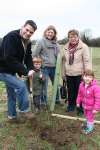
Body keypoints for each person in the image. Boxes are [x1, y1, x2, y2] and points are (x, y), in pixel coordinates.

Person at [0, 20, 37, 120]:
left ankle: (11, 116)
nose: (28, 33)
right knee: (21, 86)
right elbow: (9, 58)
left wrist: (31, 69)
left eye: (31, 32)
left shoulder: (28, 41)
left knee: (11, 94)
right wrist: (25, 71)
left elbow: (28, 56)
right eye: (27, 30)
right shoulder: (11, 37)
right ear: (22, 27)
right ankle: (24, 111)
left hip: (11, 70)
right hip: (3, 70)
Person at [61, 29, 91, 114]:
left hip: (80, 74)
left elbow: (87, 61)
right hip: (69, 74)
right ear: (68, 38)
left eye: (74, 36)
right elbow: (63, 62)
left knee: (80, 92)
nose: (72, 38)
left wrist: (87, 74)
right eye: (70, 37)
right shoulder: (65, 47)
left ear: (78, 37)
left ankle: (80, 108)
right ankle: (71, 106)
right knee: (70, 91)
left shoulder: (84, 47)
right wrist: (63, 73)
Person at [32, 25, 60, 105]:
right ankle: (43, 102)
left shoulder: (56, 43)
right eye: (48, 32)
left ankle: (57, 100)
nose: (50, 34)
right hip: (44, 68)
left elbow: (59, 55)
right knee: (44, 85)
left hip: (54, 67)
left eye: (52, 32)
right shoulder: (41, 41)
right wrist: (37, 65)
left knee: (56, 84)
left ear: (54, 34)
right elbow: (34, 54)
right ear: (45, 32)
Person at [76, 70, 100, 134]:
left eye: (90, 77)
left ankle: (90, 128)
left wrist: (96, 108)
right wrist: (78, 102)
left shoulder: (95, 87)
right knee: (86, 115)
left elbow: (98, 99)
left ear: (92, 78)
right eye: (86, 76)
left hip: (91, 107)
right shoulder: (81, 85)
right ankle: (87, 124)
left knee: (90, 118)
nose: (87, 78)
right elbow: (79, 94)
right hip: (84, 106)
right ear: (83, 77)